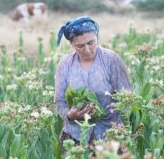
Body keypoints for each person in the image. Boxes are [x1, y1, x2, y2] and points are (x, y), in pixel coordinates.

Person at [54, 16, 132, 152]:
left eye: (91, 42)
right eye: (80, 46)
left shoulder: (111, 60)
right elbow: (59, 101)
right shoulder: (65, 65)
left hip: (110, 136)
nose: (87, 49)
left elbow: (127, 97)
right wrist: (70, 114)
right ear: (71, 45)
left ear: (97, 37)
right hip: (75, 136)